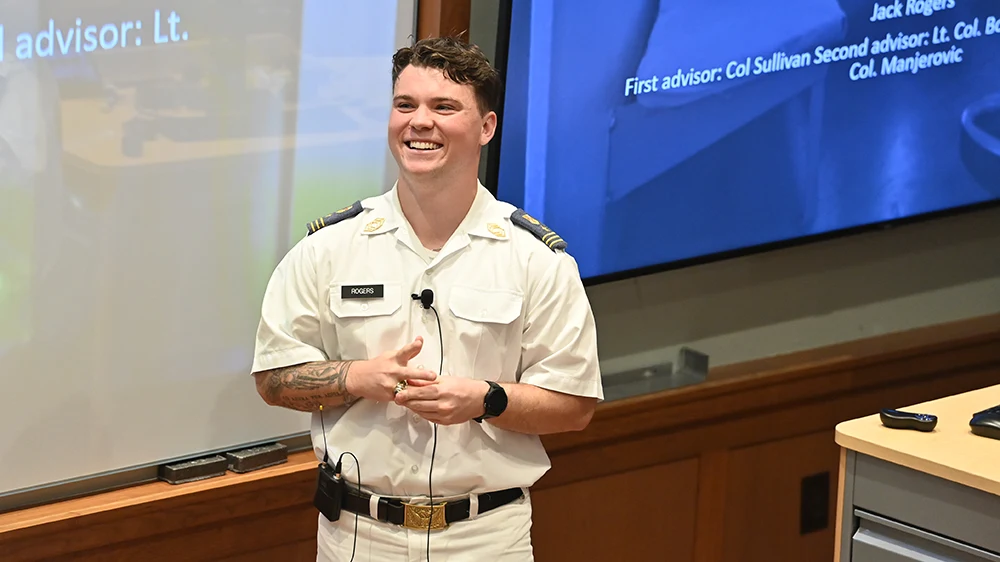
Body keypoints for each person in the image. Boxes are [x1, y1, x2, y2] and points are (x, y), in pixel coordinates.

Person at [251, 36, 603, 561]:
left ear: (486, 128)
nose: (419, 121)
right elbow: (272, 379)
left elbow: (574, 406)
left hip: (486, 538)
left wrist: (485, 400)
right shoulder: (326, 250)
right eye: (405, 105)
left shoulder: (537, 260)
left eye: (444, 107)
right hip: (358, 535)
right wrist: (356, 378)